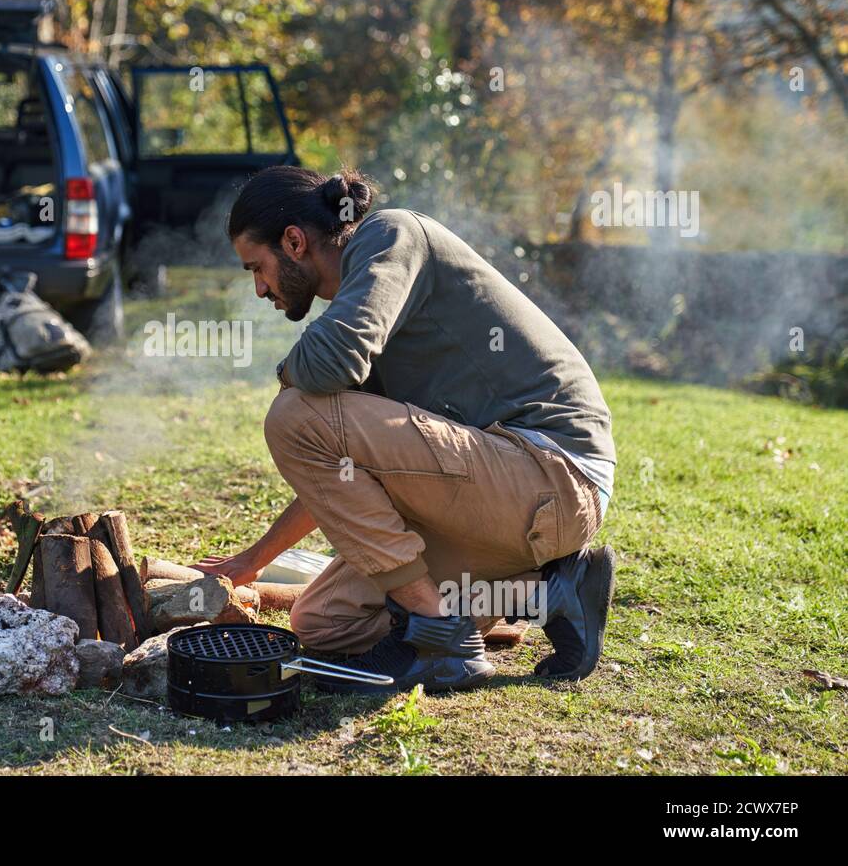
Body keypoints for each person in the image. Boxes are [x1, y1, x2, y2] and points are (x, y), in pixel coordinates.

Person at [195, 166, 616, 694]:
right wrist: (253, 561)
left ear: (295, 242)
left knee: (293, 413)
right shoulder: (366, 312)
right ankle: (548, 592)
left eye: (257, 268)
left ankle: (441, 638)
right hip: (500, 499)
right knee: (324, 623)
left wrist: (285, 377)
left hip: (552, 474)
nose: (259, 289)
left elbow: (321, 383)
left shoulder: (392, 235)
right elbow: (338, 471)